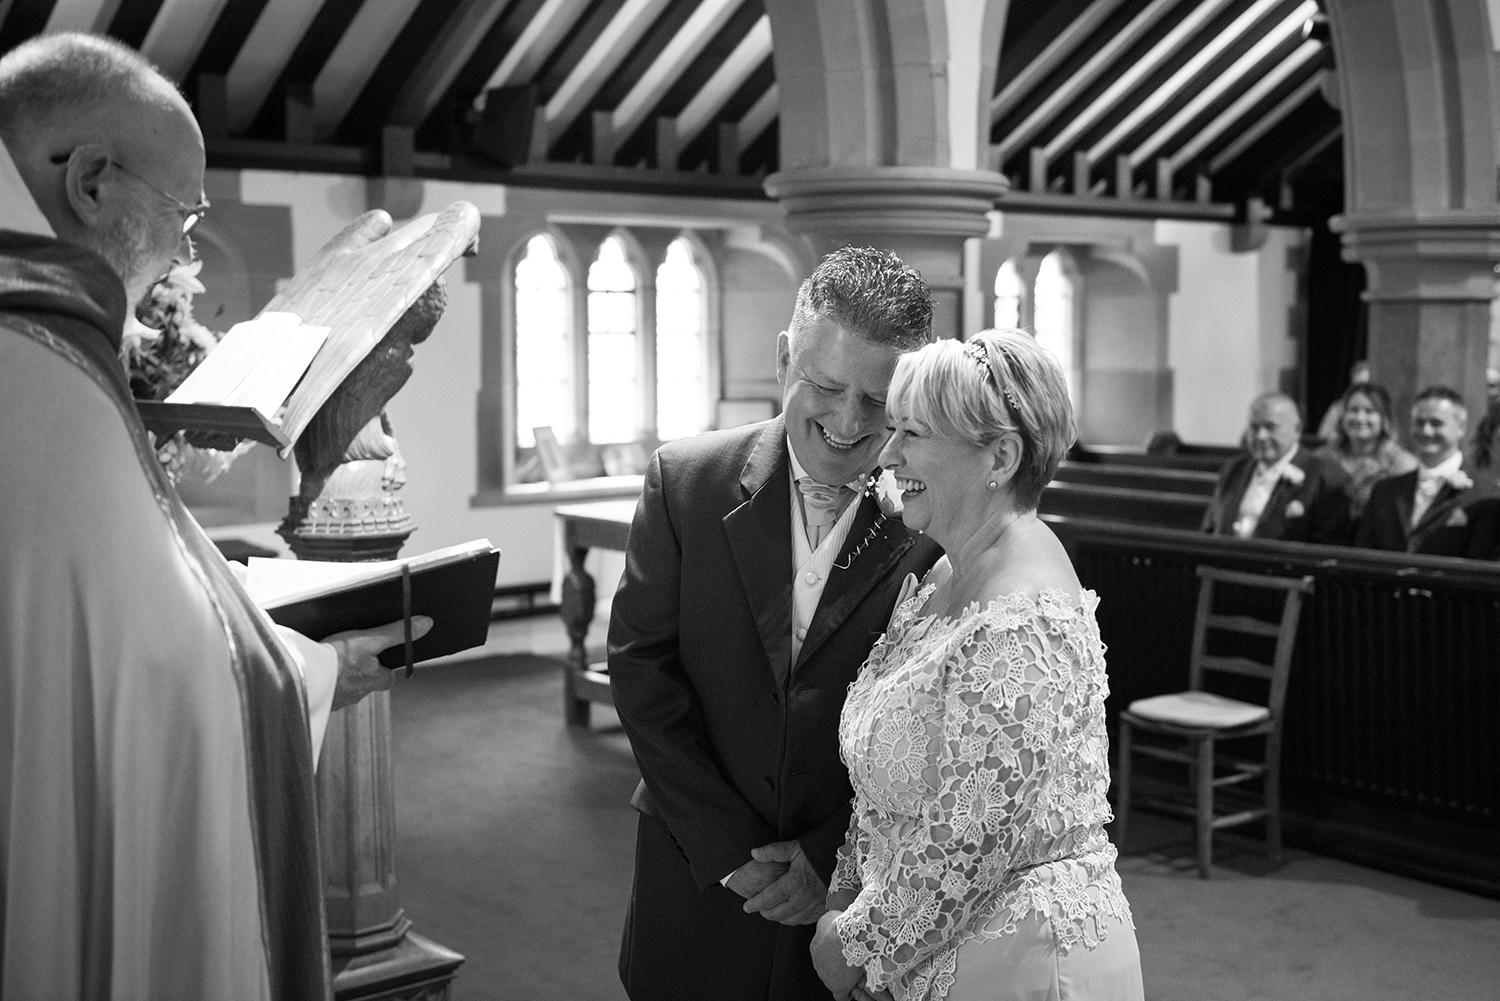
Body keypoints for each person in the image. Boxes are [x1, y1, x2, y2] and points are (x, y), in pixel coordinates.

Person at [0, 33, 425, 998]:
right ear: (94, 182)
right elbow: (162, 675)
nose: (188, 249)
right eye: (184, 210)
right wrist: (317, 669)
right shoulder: (39, 358)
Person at [609, 246, 945, 1001]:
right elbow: (641, 669)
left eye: (877, 399)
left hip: (846, 905)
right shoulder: (684, 482)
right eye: (825, 385)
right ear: (783, 355)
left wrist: (829, 853)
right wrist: (732, 852)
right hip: (695, 878)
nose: (848, 421)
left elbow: (935, 722)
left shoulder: (932, 520)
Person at [811, 330, 1142, 1001]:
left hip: (1023, 961)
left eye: (915, 433)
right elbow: (887, 774)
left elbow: (970, 842)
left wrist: (853, 946)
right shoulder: (940, 572)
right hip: (926, 950)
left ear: (1001, 455)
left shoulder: (1024, 615)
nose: (890, 452)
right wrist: (846, 888)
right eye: (894, 428)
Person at [1355, 386, 1500, 558]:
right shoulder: (1384, 491)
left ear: (1461, 427)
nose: (1426, 431)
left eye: (1436, 423)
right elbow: (1363, 556)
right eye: (1419, 423)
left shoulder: (1487, 494)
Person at [1201, 392, 1353, 545]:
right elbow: (1210, 529)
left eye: (1270, 427)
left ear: (1297, 429)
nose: (1260, 436)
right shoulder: (1234, 468)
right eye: (1254, 427)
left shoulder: (1325, 475)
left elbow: (1327, 546)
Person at [1312, 382, 1417, 520]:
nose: (1360, 418)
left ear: (1384, 418)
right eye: (1353, 410)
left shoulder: (1401, 464)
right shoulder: (1324, 456)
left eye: (1369, 411)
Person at [1316, 359, 1371, 442]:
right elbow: (1322, 435)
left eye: (1366, 386)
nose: (1361, 391)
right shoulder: (1338, 407)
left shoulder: (1381, 409)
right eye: (1357, 387)